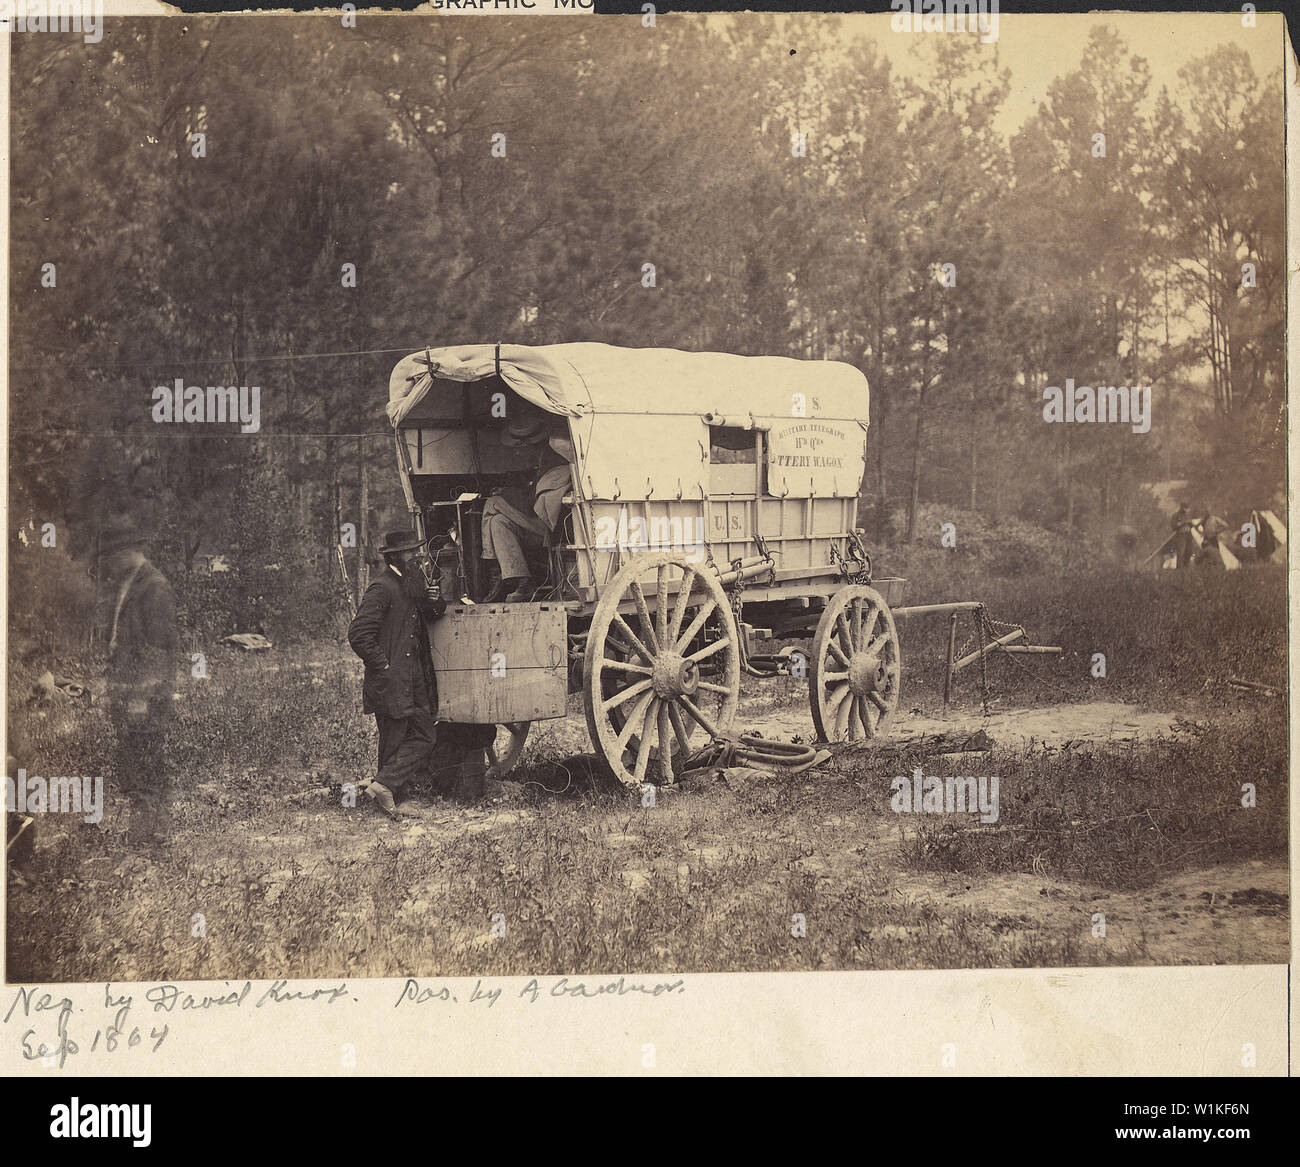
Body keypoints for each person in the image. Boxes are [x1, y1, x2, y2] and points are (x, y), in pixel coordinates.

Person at [347, 530, 448, 819]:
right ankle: (390, 798)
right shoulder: (382, 588)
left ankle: (384, 786)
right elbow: (358, 634)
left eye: (417, 551)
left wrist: (434, 599)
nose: (417, 557)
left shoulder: (409, 584)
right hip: (391, 679)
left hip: (412, 679)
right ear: (395, 557)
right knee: (393, 739)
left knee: (425, 734)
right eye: (410, 553)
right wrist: (383, 665)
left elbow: (431, 614)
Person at [97, 526, 180, 850]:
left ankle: (152, 836)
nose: (109, 563)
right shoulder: (128, 584)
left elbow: (159, 650)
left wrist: (141, 699)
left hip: (145, 697)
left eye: (113, 555)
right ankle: (146, 831)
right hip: (129, 693)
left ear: (128, 552)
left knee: (148, 763)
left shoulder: (155, 587)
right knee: (133, 764)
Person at [481, 419, 575, 601]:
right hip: (539, 525)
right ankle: (521, 580)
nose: (519, 450)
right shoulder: (541, 461)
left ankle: (494, 569)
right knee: (497, 521)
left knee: (492, 503)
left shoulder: (555, 461)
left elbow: (535, 502)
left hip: (548, 528)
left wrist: (506, 493)